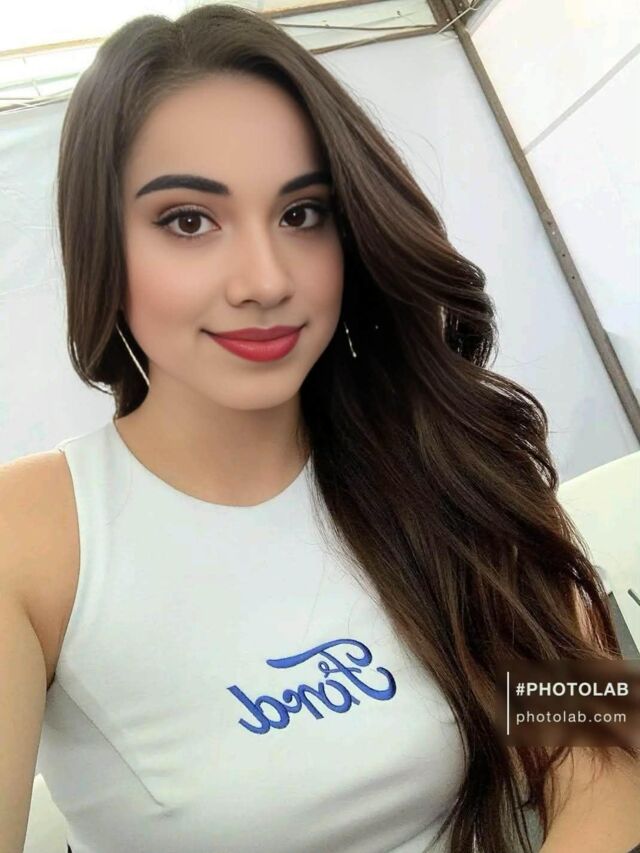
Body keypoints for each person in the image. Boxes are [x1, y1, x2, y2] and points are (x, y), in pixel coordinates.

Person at [1, 5, 638, 853]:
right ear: (102, 250)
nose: (265, 280)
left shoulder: (449, 461)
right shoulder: (34, 534)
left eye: (303, 214)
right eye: (188, 220)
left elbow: (599, 742)